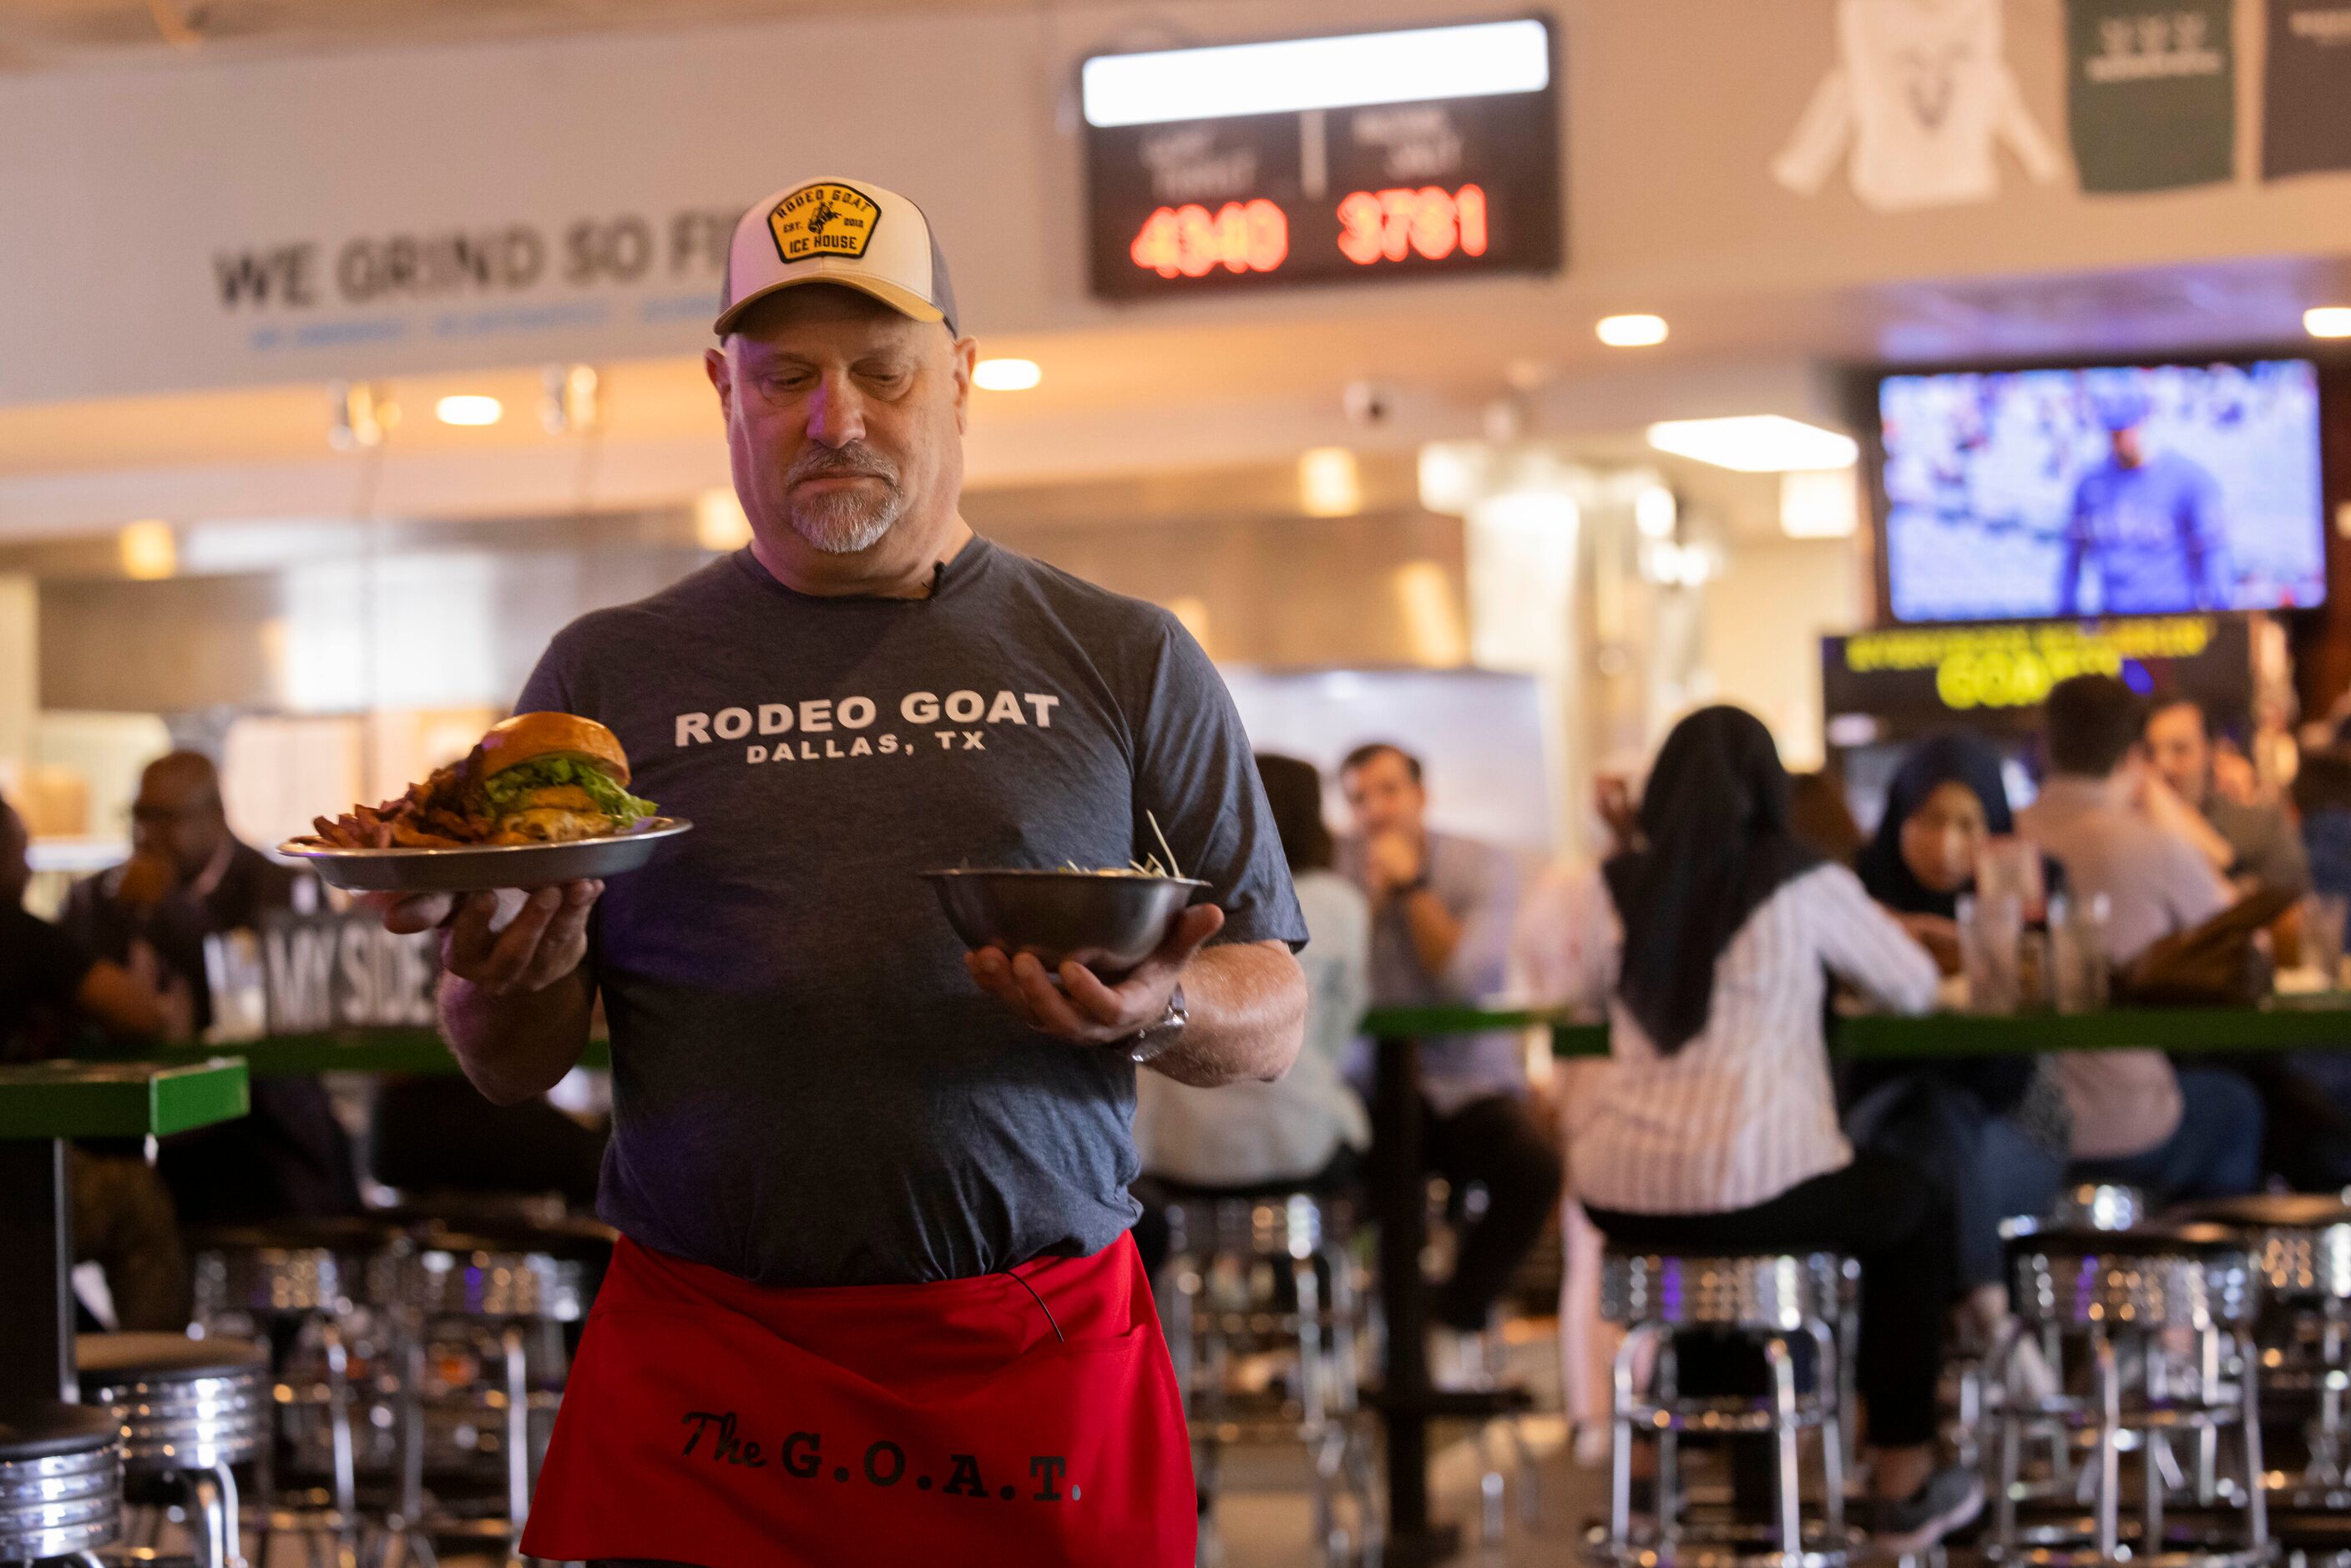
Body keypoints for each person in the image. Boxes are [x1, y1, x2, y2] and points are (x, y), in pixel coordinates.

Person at [367, 176, 1307, 1567]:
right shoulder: (607, 673)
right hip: (710, 1368)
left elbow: (1274, 1007)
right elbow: (511, 1059)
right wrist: (505, 968)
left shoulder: (1122, 653)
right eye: (786, 374)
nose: (837, 417)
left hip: (1027, 1359)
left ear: (962, 377)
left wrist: (1157, 1012)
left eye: (884, 371)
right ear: (722, 387)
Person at [1550, 706, 1977, 1555]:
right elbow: (1913, 987)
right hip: (1757, 1183)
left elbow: (1582, 994)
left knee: (1721, 1258)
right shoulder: (1800, 877)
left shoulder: (1616, 885)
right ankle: (1901, 1483)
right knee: (1914, 1211)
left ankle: (1664, 1481)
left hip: (1624, 1198)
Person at [63, 751, 359, 1226]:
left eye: (166, 818)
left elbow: (278, 1007)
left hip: (259, 1131)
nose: (146, 835)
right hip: (130, 1126)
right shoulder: (94, 899)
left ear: (215, 816)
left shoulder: (280, 890)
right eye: (139, 815)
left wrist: (173, 911)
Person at [1337, 741, 1560, 1337]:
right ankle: (1388, 1336)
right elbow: (1327, 986)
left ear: (1422, 795)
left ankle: (1457, 1310)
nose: (1376, 810)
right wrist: (1365, 907)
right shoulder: (1337, 869)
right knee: (1356, 1178)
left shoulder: (1481, 863)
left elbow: (1466, 982)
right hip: (1372, 1088)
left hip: (1467, 1086)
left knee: (1534, 1167)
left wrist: (1411, 891)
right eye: (1360, 798)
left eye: (1389, 790)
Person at [1847, 735, 2070, 1320]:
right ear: (1898, 815)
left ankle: (1944, 1355)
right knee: (1928, 1120)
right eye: (1929, 818)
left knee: (1930, 1147)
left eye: (1970, 823)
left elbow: (2020, 1058)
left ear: (1995, 825)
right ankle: (1990, 1315)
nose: (1948, 843)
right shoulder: (1854, 894)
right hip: (1880, 1119)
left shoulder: (2034, 883)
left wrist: (2005, 934)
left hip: (2011, 1122)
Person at [2017, 675, 2264, 1201]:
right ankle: (2196, 1267)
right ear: (2134, 757)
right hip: (2124, 1119)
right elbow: (2247, 942)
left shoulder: (2004, 838)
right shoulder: (2151, 845)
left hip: (2016, 1114)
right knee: (2235, 1105)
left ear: (2045, 746)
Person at [1133, 753, 1369, 1199]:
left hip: (1171, 1149)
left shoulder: (1166, 897)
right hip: (1296, 1142)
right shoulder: (1337, 903)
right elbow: (1341, 1031)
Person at [2, 795, 189, 1330]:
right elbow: (137, 1014)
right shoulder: (23, 934)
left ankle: (60, 1345)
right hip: (12, 1184)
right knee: (136, 1199)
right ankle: (149, 1380)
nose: (31, 866)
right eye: (22, 850)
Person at [2055, 382, 2230, 616]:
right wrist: (2064, 616)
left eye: (2126, 428)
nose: (2119, 439)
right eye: (2113, 432)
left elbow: (2213, 554)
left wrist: (2223, 619)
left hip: (2174, 628)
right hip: (2115, 625)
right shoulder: (2090, 485)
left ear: (2142, 422)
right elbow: (2072, 558)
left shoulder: (2187, 478)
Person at [2142, 698, 2308, 892]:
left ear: (2212, 751)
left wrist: (2192, 831)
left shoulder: (2262, 825)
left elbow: (2290, 912)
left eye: (2180, 750)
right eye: (2149, 753)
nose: (2163, 765)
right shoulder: (2128, 835)